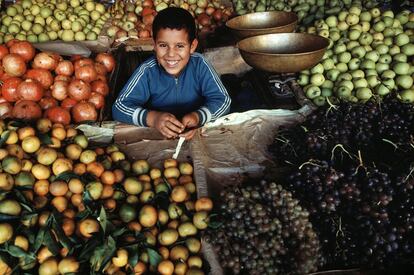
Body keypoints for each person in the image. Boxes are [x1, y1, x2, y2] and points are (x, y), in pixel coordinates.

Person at [112, 7, 231, 140]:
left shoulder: (200, 65)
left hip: (197, 136)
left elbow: (223, 101)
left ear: (192, 46)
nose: (171, 54)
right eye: (163, 45)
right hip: (157, 139)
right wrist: (154, 119)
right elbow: (119, 107)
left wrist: (198, 117)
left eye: (180, 46)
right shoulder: (147, 71)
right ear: (155, 45)